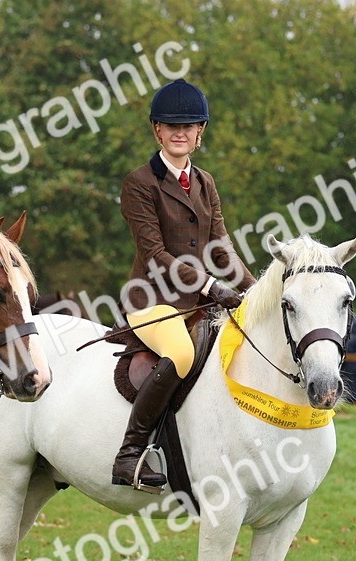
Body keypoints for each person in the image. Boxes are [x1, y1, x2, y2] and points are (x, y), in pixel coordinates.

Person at [112, 77, 256, 491]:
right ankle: (130, 454)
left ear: (200, 132)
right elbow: (156, 253)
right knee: (181, 353)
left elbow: (221, 245)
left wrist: (254, 288)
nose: (180, 132)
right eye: (171, 125)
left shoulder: (206, 182)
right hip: (151, 301)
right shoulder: (140, 183)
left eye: (189, 125)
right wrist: (213, 287)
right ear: (157, 129)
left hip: (194, 304)